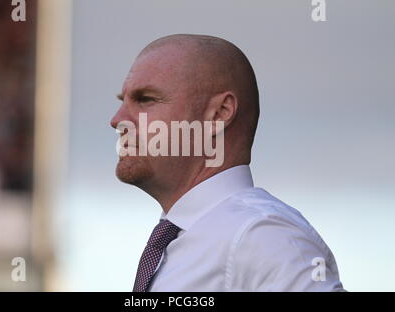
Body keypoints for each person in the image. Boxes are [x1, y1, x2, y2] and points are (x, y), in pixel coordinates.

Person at [110, 34, 345, 291]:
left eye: (146, 99)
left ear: (220, 114)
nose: (117, 119)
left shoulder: (263, 236)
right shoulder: (189, 239)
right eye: (123, 101)